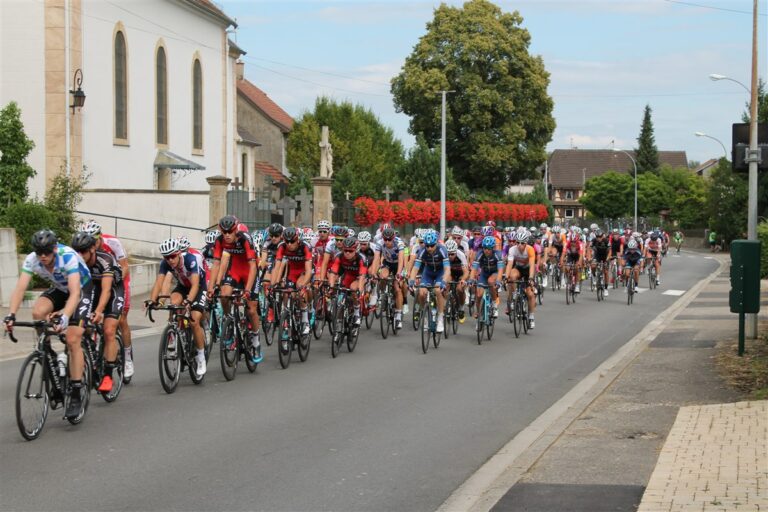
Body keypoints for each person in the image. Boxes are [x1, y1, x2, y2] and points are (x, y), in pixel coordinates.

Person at [4, 230, 93, 419]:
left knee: (72, 338)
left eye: (46, 252)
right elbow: (20, 288)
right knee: (37, 312)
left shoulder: (67, 256)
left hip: (82, 289)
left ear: (54, 249)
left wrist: (65, 317)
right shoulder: (32, 259)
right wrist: (11, 314)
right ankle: (48, 353)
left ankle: (76, 391)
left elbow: (75, 293)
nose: (43, 256)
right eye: (39, 252)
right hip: (61, 289)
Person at [81, 220, 135, 380]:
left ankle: (127, 357)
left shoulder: (112, 243)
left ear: (99, 238)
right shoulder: (83, 251)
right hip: (96, 281)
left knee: (121, 319)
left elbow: (124, 266)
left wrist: (113, 282)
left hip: (118, 280)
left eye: (93, 241)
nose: (91, 245)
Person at [71, 232, 124, 393]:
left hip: (113, 292)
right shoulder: (75, 262)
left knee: (108, 330)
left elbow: (107, 290)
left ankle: (108, 375)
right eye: (77, 251)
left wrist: (99, 311)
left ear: (92, 250)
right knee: (81, 327)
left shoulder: (105, 259)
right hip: (92, 291)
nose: (80, 255)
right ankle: (91, 352)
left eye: (83, 251)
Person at [150, 238, 209, 376]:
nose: (170, 260)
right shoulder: (165, 263)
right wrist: (153, 301)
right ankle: (174, 334)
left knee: (194, 320)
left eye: (172, 256)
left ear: (178, 253)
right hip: (183, 286)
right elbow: (159, 282)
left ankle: (201, 356)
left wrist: (189, 301)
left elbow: (195, 285)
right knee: (173, 304)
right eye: (167, 257)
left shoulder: (190, 259)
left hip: (198, 287)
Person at [207, 215, 261, 362]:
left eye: (230, 232)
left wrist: (248, 290)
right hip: (235, 271)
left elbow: (252, 267)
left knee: (251, 309)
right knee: (224, 295)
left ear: (235, 230)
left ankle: (256, 340)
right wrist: (211, 288)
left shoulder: (245, 239)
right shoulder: (219, 241)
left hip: (249, 272)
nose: (227, 235)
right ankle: (229, 321)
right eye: (224, 232)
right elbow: (216, 265)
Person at [327, 236, 368, 325]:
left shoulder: (361, 258)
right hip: (348, 275)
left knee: (353, 288)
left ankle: (357, 312)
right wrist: (331, 286)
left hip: (359, 277)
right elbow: (333, 272)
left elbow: (362, 276)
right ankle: (341, 314)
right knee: (341, 290)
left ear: (356, 250)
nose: (347, 253)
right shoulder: (339, 256)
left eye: (350, 251)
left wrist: (360, 291)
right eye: (345, 250)